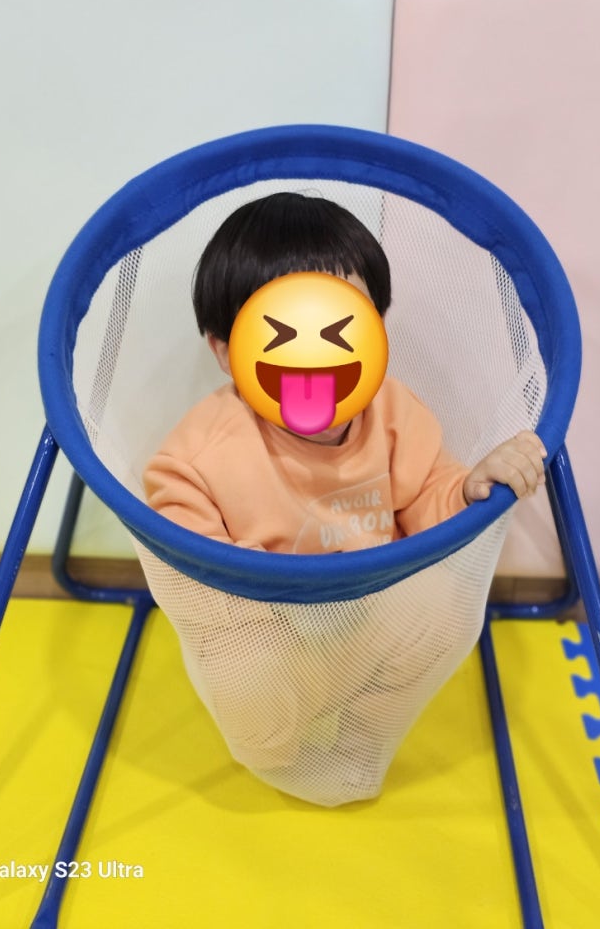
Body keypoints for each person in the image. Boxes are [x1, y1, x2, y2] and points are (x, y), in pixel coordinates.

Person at [143, 192, 546, 804]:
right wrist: (272, 631)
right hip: (272, 633)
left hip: (377, 609)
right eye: (282, 333)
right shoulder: (199, 456)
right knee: (248, 683)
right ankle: (278, 748)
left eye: (341, 327)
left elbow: (429, 494)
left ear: (377, 331)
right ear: (225, 352)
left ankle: (362, 737)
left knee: (444, 607)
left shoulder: (394, 412)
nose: (316, 356)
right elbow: (190, 571)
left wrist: (468, 488)